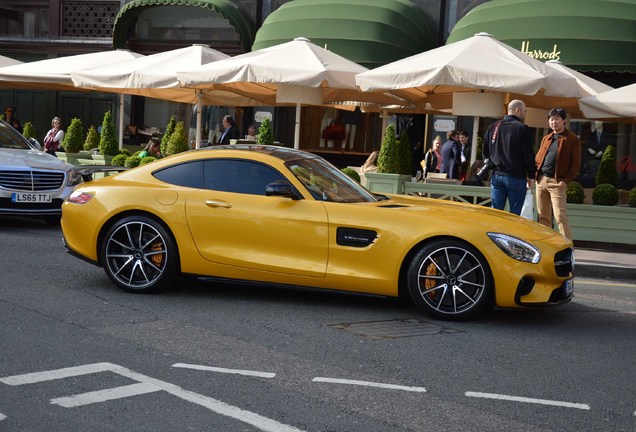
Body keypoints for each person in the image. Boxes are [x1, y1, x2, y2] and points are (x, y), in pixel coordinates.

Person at [535, 108, 581, 240]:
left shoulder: (572, 139)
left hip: (557, 182)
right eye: (551, 119)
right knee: (543, 216)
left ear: (564, 120)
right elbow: (538, 158)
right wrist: (535, 175)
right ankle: (545, 244)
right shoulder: (546, 138)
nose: (553, 122)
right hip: (542, 179)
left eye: (556, 118)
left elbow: (576, 163)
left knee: (560, 215)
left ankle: (567, 246)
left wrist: (565, 181)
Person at [483, 99, 535, 215]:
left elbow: (486, 152)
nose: (525, 114)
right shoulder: (522, 128)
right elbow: (528, 155)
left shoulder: (493, 127)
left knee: (495, 213)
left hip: (497, 175)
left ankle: (494, 233)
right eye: (524, 111)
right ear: (518, 110)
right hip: (516, 176)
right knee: (514, 215)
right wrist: (531, 175)